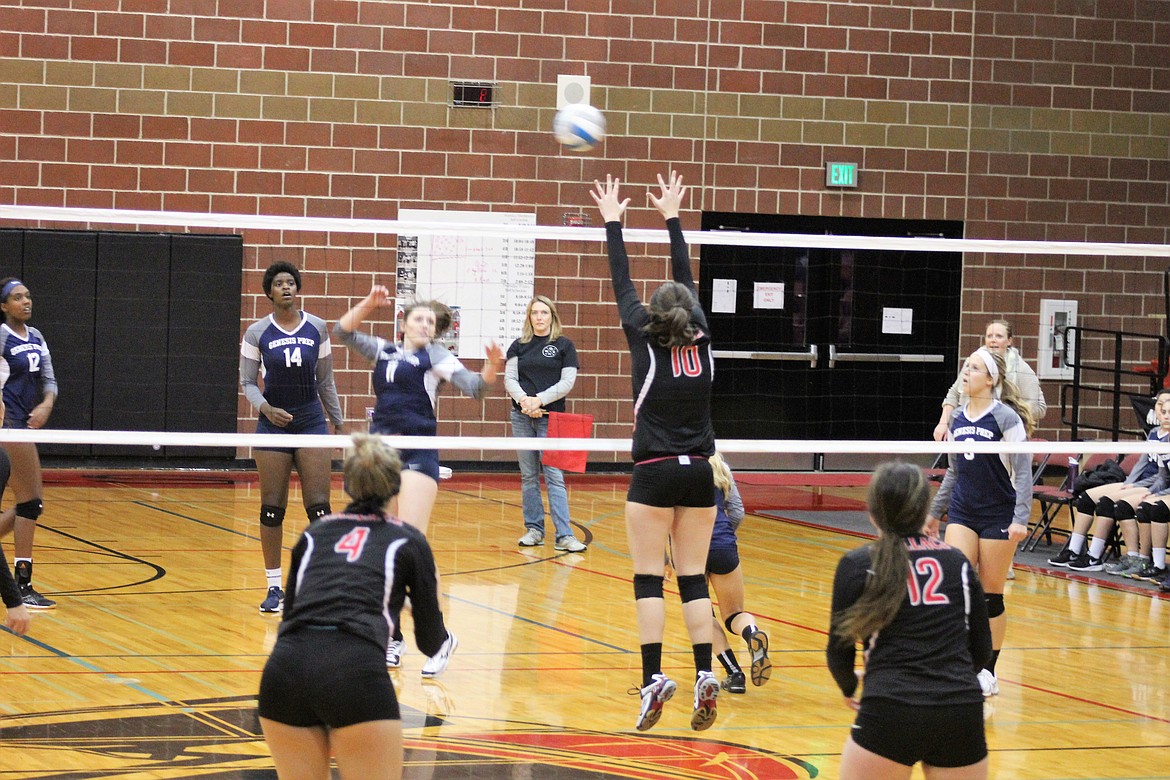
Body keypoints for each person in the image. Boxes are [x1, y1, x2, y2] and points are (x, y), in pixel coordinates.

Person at [591, 171, 720, 732]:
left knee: (649, 577)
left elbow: (622, 282)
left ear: (653, 314)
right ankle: (703, 671)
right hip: (701, 476)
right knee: (692, 577)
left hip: (654, 472)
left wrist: (614, 222)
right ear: (691, 316)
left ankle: (651, 680)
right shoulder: (705, 339)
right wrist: (672, 219)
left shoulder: (642, 338)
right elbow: (684, 279)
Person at [258, 434, 453, 780]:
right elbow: (429, 642)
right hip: (354, 671)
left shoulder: (315, 532)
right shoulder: (407, 539)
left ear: (347, 484)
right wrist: (419, 612)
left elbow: (291, 615)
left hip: (285, 671)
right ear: (396, 487)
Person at [334, 284, 503, 672]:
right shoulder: (383, 350)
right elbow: (341, 332)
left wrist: (492, 368)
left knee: (410, 545)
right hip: (381, 455)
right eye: (419, 318)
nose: (426, 325)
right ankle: (392, 639)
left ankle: (440, 639)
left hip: (418, 453)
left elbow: (476, 389)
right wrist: (367, 302)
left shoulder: (436, 357)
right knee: (384, 545)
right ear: (404, 323)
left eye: (431, 321)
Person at [828, 462, 992, 780]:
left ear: (873, 511)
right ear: (923, 511)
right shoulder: (957, 561)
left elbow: (838, 653)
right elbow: (982, 650)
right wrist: (944, 680)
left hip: (891, 708)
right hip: (960, 710)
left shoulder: (859, 563)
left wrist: (850, 686)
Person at [928, 347, 1034, 699]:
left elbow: (1023, 474)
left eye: (973, 368)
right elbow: (954, 472)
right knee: (955, 587)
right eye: (965, 367)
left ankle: (988, 669)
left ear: (991, 380)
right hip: (963, 511)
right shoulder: (957, 417)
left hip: (998, 515)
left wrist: (1021, 518)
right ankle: (955, 662)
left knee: (990, 595)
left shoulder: (1005, 419)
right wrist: (934, 513)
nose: (966, 372)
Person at [240, 262, 345, 615]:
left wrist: (338, 421)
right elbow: (247, 382)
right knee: (272, 507)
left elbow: (326, 380)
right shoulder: (257, 332)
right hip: (273, 424)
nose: (286, 288)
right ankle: (274, 588)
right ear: (269, 292)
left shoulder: (317, 327)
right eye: (279, 283)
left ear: (297, 289)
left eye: (291, 283)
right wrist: (267, 409)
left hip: (311, 421)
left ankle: (324, 587)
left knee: (320, 507)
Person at [1048, 389, 1170, 575]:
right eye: (1160, 404)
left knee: (1118, 505)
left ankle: (1133, 557)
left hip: (1151, 485)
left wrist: (1141, 487)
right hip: (1144, 482)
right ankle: (1075, 550)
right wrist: (1129, 482)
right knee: (1087, 498)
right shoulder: (1153, 433)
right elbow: (1142, 463)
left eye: (1167, 404)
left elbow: (1163, 476)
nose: (1164, 409)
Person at [505, 295, 585, 552]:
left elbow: (566, 383)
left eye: (544, 313)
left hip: (552, 418)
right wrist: (525, 402)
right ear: (529, 317)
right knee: (529, 475)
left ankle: (564, 535)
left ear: (552, 316)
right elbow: (510, 380)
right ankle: (534, 530)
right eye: (535, 313)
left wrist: (538, 400)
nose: (539, 317)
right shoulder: (518, 346)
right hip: (521, 416)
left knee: (554, 475)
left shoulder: (564, 346)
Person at [0, 277, 58, 609]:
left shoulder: (36, 337)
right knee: (30, 503)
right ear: (4, 306)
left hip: (22, 423)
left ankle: (21, 582)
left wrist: (47, 403)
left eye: (28, 296)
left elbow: (49, 378)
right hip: (7, 427)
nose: (26, 301)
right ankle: (22, 585)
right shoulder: (2, 336)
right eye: (17, 297)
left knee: (29, 504)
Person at [705, 452, 771, 694]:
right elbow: (737, 511)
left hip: (691, 549)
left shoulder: (674, 467)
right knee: (734, 614)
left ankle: (734, 673)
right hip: (724, 544)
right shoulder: (719, 465)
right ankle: (753, 634)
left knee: (703, 617)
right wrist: (724, 535)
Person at [933, 319, 1046, 442]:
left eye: (999, 336)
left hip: (1003, 437)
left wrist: (1007, 417)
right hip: (969, 428)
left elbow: (1039, 407)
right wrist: (943, 423)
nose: (993, 340)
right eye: (989, 336)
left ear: (1009, 341)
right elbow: (954, 394)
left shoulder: (1021, 369)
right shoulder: (974, 361)